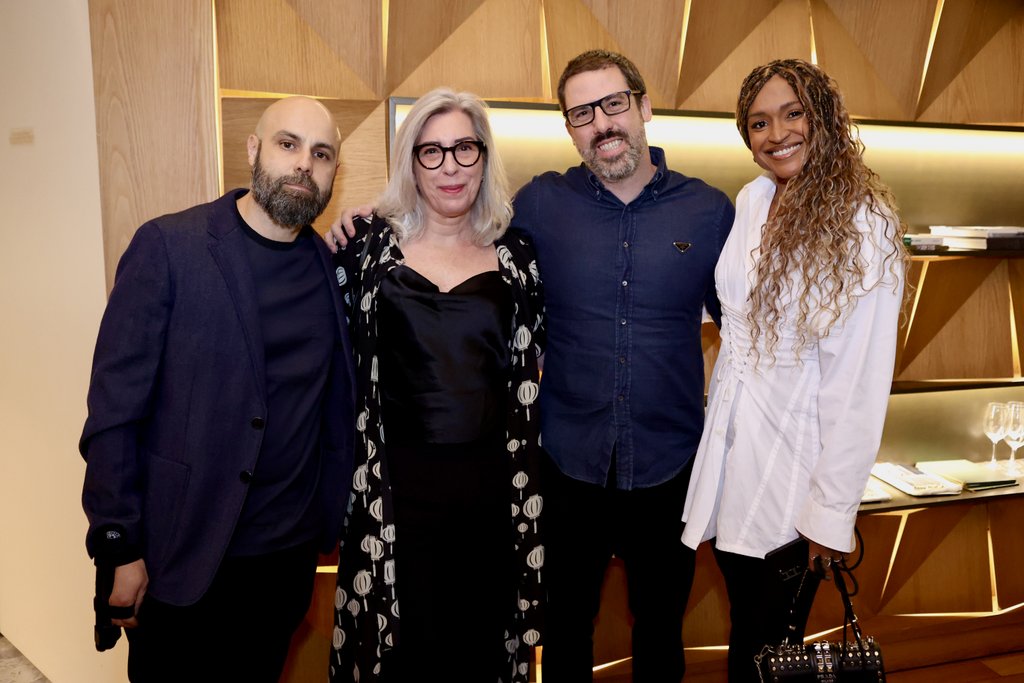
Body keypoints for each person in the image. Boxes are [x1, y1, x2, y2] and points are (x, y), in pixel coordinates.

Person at [329, 50, 734, 683]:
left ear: (644, 107)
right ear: (568, 128)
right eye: (581, 112)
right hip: (566, 467)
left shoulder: (709, 213)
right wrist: (355, 221)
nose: (601, 123)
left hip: (670, 467)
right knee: (562, 630)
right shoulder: (539, 207)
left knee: (661, 631)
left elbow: (745, 333)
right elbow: (450, 246)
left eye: (613, 104)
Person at [79, 96, 357, 682]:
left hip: (284, 560)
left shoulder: (329, 268)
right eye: (288, 144)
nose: (305, 163)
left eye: (322, 153)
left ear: (335, 170)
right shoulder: (169, 247)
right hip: (182, 553)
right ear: (253, 149)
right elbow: (114, 410)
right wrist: (118, 543)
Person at [680, 58, 907, 681]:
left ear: (824, 119)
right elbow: (733, 309)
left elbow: (859, 382)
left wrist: (831, 512)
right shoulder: (752, 199)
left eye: (792, 113)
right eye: (758, 122)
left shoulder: (864, 221)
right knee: (747, 632)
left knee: (768, 640)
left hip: (795, 466)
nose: (775, 133)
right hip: (729, 449)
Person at [328, 88, 545, 683]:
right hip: (392, 494)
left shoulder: (518, 255)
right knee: (402, 654)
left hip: (491, 493)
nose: (450, 166)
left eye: (464, 149)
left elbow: (537, 364)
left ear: (483, 156)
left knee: (477, 648)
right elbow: (328, 357)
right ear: (411, 162)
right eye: (432, 152)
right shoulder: (365, 248)